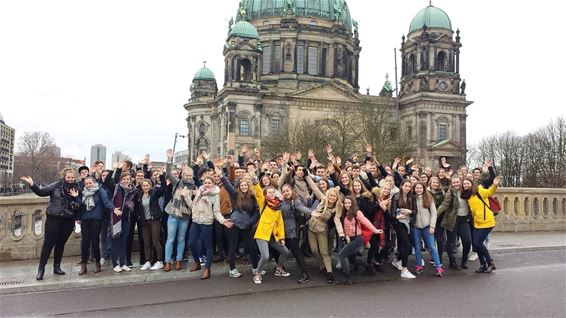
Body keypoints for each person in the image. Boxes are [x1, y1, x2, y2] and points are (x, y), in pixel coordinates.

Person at [21, 168, 81, 281]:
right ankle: (41, 269)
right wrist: (32, 184)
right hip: (54, 218)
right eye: (68, 177)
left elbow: (80, 204)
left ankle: (57, 267)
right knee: (48, 244)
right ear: (64, 177)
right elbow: (41, 192)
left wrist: (76, 198)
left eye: (72, 177)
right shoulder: (56, 185)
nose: (70, 179)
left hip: (68, 219)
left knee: (60, 244)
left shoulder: (77, 187)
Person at [187, 176, 234, 279]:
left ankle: (207, 269)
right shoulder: (199, 192)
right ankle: (197, 262)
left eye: (209, 182)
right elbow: (192, 206)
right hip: (195, 221)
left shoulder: (215, 195)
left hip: (206, 223)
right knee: (191, 243)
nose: (207, 184)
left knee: (208, 246)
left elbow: (216, 211)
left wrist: (222, 220)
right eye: (205, 182)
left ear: (213, 184)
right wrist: (186, 197)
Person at [217, 167, 260, 278]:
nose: (244, 187)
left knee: (253, 247)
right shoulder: (235, 195)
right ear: (239, 187)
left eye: (245, 185)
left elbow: (256, 211)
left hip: (247, 226)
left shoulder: (252, 197)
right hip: (234, 225)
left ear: (248, 186)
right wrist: (221, 175)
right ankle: (232, 269)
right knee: (233, 247)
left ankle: (255, 268)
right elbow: (227, 184)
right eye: (242, 185)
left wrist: (250, 222)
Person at [163, 149, 196, 272]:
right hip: (173, 215)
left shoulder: (194, 186)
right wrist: (169, 160)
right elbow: (168, 174)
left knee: (181, 239)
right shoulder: (177, 183)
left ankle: (178, 260)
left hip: (185, 216)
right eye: (186, 175)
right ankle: (167, 261)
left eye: (190, 175)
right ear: (183, 176)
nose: (188, 177)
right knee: (170, 239)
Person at [252, 183, 290, 285]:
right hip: (262, 234)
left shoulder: (277, 206)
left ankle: (279, 269)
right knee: (265, 256)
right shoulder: (263, 203)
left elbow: (280, 223)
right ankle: (257, 274)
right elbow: (259, 193)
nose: (272, 194)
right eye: (269, 192)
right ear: (265, 195)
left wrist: (282, 237)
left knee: (285, 252)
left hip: (273, 235)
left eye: (273, 192)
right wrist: (255, 182)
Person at [77, 176, 117, 275]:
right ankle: (84, 265)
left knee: (95, 242)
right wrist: (78, 217)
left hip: (96, 219)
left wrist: (114, 208)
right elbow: (79, 206)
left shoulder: (100, 191)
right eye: (86, 184)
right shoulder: (82, 193)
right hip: (85, 219)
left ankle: (98, 263)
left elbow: (106, 202)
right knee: (85, 243)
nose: (88, 185)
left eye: (90, 183)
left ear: (94, 183)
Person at [338, 196, 382, 284]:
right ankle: (369, 267)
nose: (347, 205)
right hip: (350, 239)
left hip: (357, 239)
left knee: (342, 255)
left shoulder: (357, 213)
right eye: (345, 203)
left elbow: (366, 221)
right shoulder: (345, 213)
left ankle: (347, 278)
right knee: (352, 260)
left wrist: (375, 230)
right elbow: (346, 228)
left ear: (353, 203)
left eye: (349, 203)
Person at [462, 176, 500, 273]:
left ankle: (490, 263)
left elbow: (489, 192)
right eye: (464, 184)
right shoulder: (467, 195)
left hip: (487, 221)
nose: (465, 185)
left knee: (478, 243)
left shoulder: (479, 190)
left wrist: (495, 185)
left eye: (467, 183)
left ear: (471, 184)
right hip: (477, 223)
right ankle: (482, 265)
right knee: (476, 245)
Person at [307, 188, 345, 284]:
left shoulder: (336, 209)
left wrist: (341, 233)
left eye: (334, 196)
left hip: (322, 231)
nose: (332, 198)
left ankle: (330, 273)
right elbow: (315, 189)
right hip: (311, 228)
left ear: (337, 198)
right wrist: (306, 175)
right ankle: (322, 266)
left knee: (324, 252)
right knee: (314, 250)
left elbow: (337, 222)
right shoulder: (323, 200)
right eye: (330, 195)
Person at [437, 177, 472, 270]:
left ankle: (464, 261)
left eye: (457, 182)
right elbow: (445, 204)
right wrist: (435, 215)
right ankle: (452, 261)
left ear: (461, 182)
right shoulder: (451, 192)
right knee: (451, 242)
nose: (456, 184)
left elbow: (477, 183)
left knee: (467, 241)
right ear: (451, 184)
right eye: (454, 183)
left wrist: (485, 173)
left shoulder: (466, 190)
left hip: (464, 220)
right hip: (453, 220)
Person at [280, 183, 312, 284]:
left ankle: (305, 274)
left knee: (296, 252)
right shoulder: (283, 201)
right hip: (283, 231)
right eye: (284, 191)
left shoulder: (295, 201)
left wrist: (312, 213)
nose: (286, 193)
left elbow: (303, 209)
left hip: (292, 231)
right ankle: (280, 267)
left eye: (287, 190)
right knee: (280, 250)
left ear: (291, 190)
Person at [412, 182, 444, 277]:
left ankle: (438, 267)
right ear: (414, 189)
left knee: (432, 246)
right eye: (417, 188)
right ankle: (418, 265)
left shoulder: (428, 198)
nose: (419, 190)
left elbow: (434, 213)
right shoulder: (412, 199)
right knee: (417, 247)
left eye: (420, 188)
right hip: (416, 226)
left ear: (424, 189)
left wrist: (432, 226)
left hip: (427, 226)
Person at [136, 174, 167, 271]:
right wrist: (139, 217)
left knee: (156, 241)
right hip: (145, 222)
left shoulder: (154, 193)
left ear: (150, 186)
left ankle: (159, 261)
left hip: (154, 220)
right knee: (146, 242)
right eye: (143, 186)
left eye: (147, 185)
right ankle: (148, 261)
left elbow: (163, 187)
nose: (145, 187)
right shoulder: (139, 194)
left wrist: (162, 176)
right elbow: (138, 208)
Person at [110, 172, 137, 273]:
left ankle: (122, 263)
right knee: (115, 240)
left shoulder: (133, 191)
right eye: (124, 179)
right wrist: (119, 169)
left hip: (126, 218)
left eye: (128, 179)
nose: (126, 180)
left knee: (123, 241)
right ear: (120, 179)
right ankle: (115, 264)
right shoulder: (116, 188)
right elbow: (109, 180)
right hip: (116, 218)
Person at [390, 180, 416, 279]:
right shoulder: (396, 196)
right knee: (406, 245)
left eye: (409, 186)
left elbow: (415, 211)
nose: (407, 188)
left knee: (407, 248)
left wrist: (409, 211)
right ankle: (404, 270)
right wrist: (397, 217)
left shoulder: (412, 197)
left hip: (409, 223)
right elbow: (392, 213)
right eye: (406, 186)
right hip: (399, 224)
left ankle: (397, 260)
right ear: (401, 186)